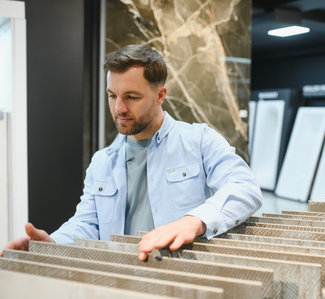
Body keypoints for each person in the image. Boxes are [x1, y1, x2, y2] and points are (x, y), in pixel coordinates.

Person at [1, 44, 262, 261]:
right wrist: (53, 243)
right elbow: (89, 224)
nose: (118, 108)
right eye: (112, 95)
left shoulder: (199, 140)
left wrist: (193, 221)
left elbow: (244, 187)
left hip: (182, 281)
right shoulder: (102, 162)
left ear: (161, 95)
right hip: (122, 279)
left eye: (132, 97)